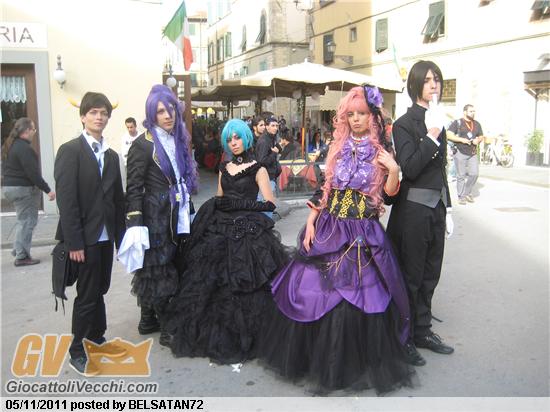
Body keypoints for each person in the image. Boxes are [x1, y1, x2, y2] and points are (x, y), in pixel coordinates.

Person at [257, 86, 414, 394]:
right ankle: (318, 359)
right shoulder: (337, 147)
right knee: (316, 291)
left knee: (360, 297)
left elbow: (389, 195)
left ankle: (355, 361)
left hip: (363, 231)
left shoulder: (381, 152)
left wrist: (394, 170)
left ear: (372, 117)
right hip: (329, 226)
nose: (356, 119)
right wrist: (311, 221)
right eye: (350, 114)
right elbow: (326, 190)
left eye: (362, 114)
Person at [163, 119, 288, 364]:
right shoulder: (224, 167)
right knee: (211, 279)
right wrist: (220, 204)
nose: (234, 143)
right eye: (229, 139)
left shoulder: (259, 169)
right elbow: (220, 197)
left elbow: (270, 204)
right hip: (221, 227)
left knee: (248, 279)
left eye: (237, 137)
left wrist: (240, 204)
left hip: (248, 229)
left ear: (246, 138)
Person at [386, 60, 454, 368]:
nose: (433, 84)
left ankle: (423, 330)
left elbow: (441, 167)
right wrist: (432, 134)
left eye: (436, 79)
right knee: (411, 277)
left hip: (436, 206)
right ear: (415, 84)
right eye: (427, 80)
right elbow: (410, 167)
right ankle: (405, 337)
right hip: (413, 210)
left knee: (430, 274)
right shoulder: (404, 123)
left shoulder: (438, 117)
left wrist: (448, 207)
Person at [54, 92, 126, 375]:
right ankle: (77, 351)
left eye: (104, 113)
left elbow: (117, 200)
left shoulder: (111, 156)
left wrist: (122, 240)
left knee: (100, 290)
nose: (99, 117)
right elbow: (67, 201)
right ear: (83, 116)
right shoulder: (70, 151)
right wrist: (74, 242)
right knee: (86, 295)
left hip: (106, 236)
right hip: (83, 239)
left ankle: (97, 339)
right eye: (94, 112)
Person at [124, 85, 197, 346]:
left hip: (176, 211)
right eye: (161, 111)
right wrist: (135, 222)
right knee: (158, 268)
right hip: (155, 214)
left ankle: (147, 319)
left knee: (166, 264)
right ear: (151, 114)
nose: (168, 115)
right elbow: (133, 187)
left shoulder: (178, 139)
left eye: (171, 110)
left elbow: (182, 179)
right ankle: (167, 327)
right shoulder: (142, 145)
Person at [1, 118, 56, 266]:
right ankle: (21, 256)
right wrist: (48, 190)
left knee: (23, 220)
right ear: (26, 131)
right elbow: (33, 173)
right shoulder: (24, 148)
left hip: (11, 187)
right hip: (23, 189)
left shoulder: (11, 145)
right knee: (27, 222)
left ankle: (19, 249)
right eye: (33, 130)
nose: (34, 132)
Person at [447, 104, 483, 204]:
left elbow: (481, 136)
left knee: (474, 174)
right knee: (461, 175)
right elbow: (448, 135)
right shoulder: (457, 123)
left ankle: (467, 192)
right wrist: (461, 140)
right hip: (460, 152)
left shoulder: (477, 124)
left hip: (473, 153)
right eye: (471, 111)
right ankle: (461, 196)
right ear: (465, 112)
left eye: (474, 111)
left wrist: (478, 140)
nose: (473, 113)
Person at [255, 116, 282, 218]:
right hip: (266, 177)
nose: (275, 128)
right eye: (273, 126)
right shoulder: (264, 141)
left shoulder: (271, 138)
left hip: (270, 176)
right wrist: (274, 153)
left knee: (267, 203)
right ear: (267, 127)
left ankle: (265, 222)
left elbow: (275, 150)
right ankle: (266, 224)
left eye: (276, 126)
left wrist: (278, 149)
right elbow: (262, 161)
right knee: (267, 203)